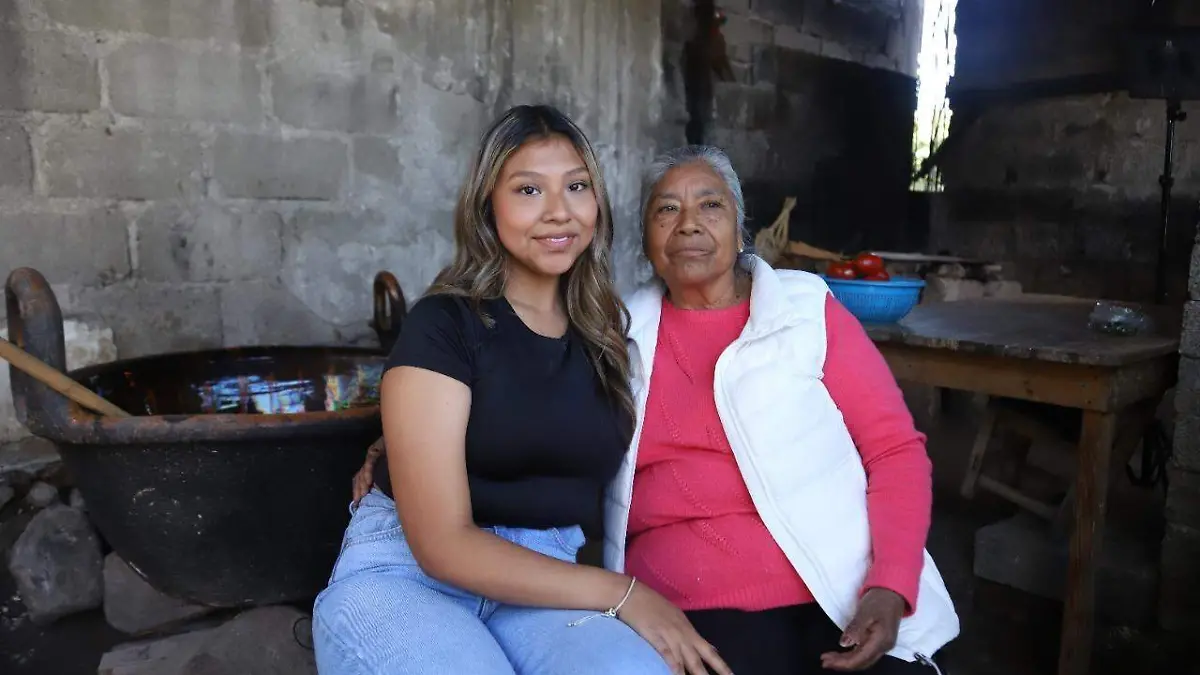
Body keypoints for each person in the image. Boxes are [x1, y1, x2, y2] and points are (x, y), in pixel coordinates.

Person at [351, 144, 960, 674]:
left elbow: (895, 451)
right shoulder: (616, 332)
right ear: (643, 240)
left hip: (833, 590)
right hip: (685, 609)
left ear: (741, 228)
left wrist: (890, 584)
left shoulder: (807, 312)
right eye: (666, 210)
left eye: (710, 205)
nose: (688, 224)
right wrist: (399, 443)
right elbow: (519, 397)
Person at [313, 106, 731, 675]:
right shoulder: (444, 324)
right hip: (406, 575)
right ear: (488, 206)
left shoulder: (609, 334)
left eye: (576, 186)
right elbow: (441, 544)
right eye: (529, 189)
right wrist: (626, 593)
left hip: (546, 580)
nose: (559, 210)